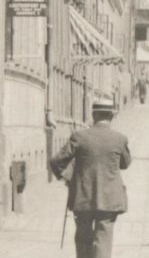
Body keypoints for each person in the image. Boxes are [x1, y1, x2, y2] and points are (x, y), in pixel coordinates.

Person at [50, 98, 132, 258]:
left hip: (83, 197)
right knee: (103, 239)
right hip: (109, 199)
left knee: (83, 239)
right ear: (112, 116)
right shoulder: (120, 138)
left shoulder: (79, 137)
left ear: (93, 115)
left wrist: (66, 178)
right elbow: (125, 164)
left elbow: (56, 161)